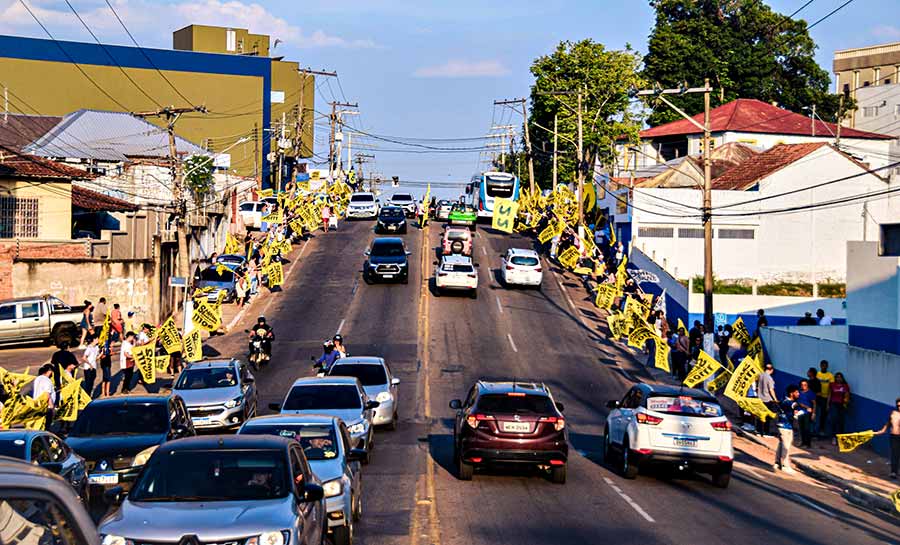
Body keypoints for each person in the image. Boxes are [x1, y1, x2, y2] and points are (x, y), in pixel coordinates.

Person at [775, 385, 801, 474]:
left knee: (781, 444)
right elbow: (794, 407)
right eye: (797, 392)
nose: (798, 394)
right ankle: (785, 466)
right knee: (786, 447)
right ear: (791, 393)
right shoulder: (790, 403)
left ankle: (777, 463)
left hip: (783, 425)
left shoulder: (784, 401)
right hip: (785, 427)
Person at [874, 398, 900, 479]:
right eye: (898, 405)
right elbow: (888, 424)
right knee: (895, 454)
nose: (899, 407)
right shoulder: (893, 413)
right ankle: (894, 472)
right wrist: (881, 431)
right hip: (894, 437)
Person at [828, 372, 851, 442]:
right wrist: (827, 404)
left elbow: (847, 395)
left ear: (842, 378)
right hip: (833, 404)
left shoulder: (845, 386)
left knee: (841, 421)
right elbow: (829, 395)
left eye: (840, 377)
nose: (838, 378)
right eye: (837, 377)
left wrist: (846, 402)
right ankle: (833, 437)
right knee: (833, 420)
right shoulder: (832, 385)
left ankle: (840, 437)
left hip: (841, 405)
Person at [756, 363, 778, 436]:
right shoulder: (769, 378)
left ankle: (758, 431)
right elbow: (771, 390)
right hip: (767, 400)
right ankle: (766, 432)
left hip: (760, 398)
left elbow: (757, 387)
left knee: (760, 416)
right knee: (768, 417)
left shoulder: (760, 375)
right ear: (771, 370)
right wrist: (775, 399)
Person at [33, 364, 56, 429]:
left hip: (37, 405)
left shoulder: (37, 379)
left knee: (39, 425)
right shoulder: (47, 380)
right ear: (50, 371)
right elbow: (47, 394)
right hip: (46, 407)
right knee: (46, 426)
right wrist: (51, 407)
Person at [816, 360, 834, 436]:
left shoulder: (830, 376)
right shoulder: (817, 374)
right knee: (817, 414)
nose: (824, 367)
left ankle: (821, 430)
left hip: (826, 398)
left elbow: (831, 389)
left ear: (827, 366)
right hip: (818, 397)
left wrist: (828, 402)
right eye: (822, 365)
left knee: (824, 414)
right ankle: (815, 430)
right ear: (820, 366)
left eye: (825, 365)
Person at [796, 379, 816, 447]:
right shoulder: (798, 392)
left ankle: (808, 443)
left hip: (807, 413)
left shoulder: (810, 393)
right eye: (802, 385)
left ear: (807, 385)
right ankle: (803, 442)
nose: (803, 386)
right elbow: (797, 401)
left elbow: (814, 403)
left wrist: (813, 413)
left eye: (805, 385)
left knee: (807, 428)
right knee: (801, 428)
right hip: (800, 412)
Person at [805, 367, 822, 435]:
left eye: (808, 371)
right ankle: (811, 432)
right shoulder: (808, 382)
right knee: (810, 418)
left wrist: (811, 395)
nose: (807, 372)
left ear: (811, 373)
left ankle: (815, 433)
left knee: (816, 418)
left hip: (816, 403)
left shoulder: (816, 382)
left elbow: (819, 393)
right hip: (809, 403)